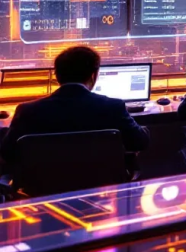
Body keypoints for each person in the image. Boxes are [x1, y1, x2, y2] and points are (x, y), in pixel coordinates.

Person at [1, 46, 150, 165]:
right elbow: (140, 142)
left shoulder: (27, 111)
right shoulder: (113, 107)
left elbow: (7, 153)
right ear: (93, 75)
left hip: (42, 188)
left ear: (57, 76)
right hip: (98, 184)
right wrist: (143, 129)